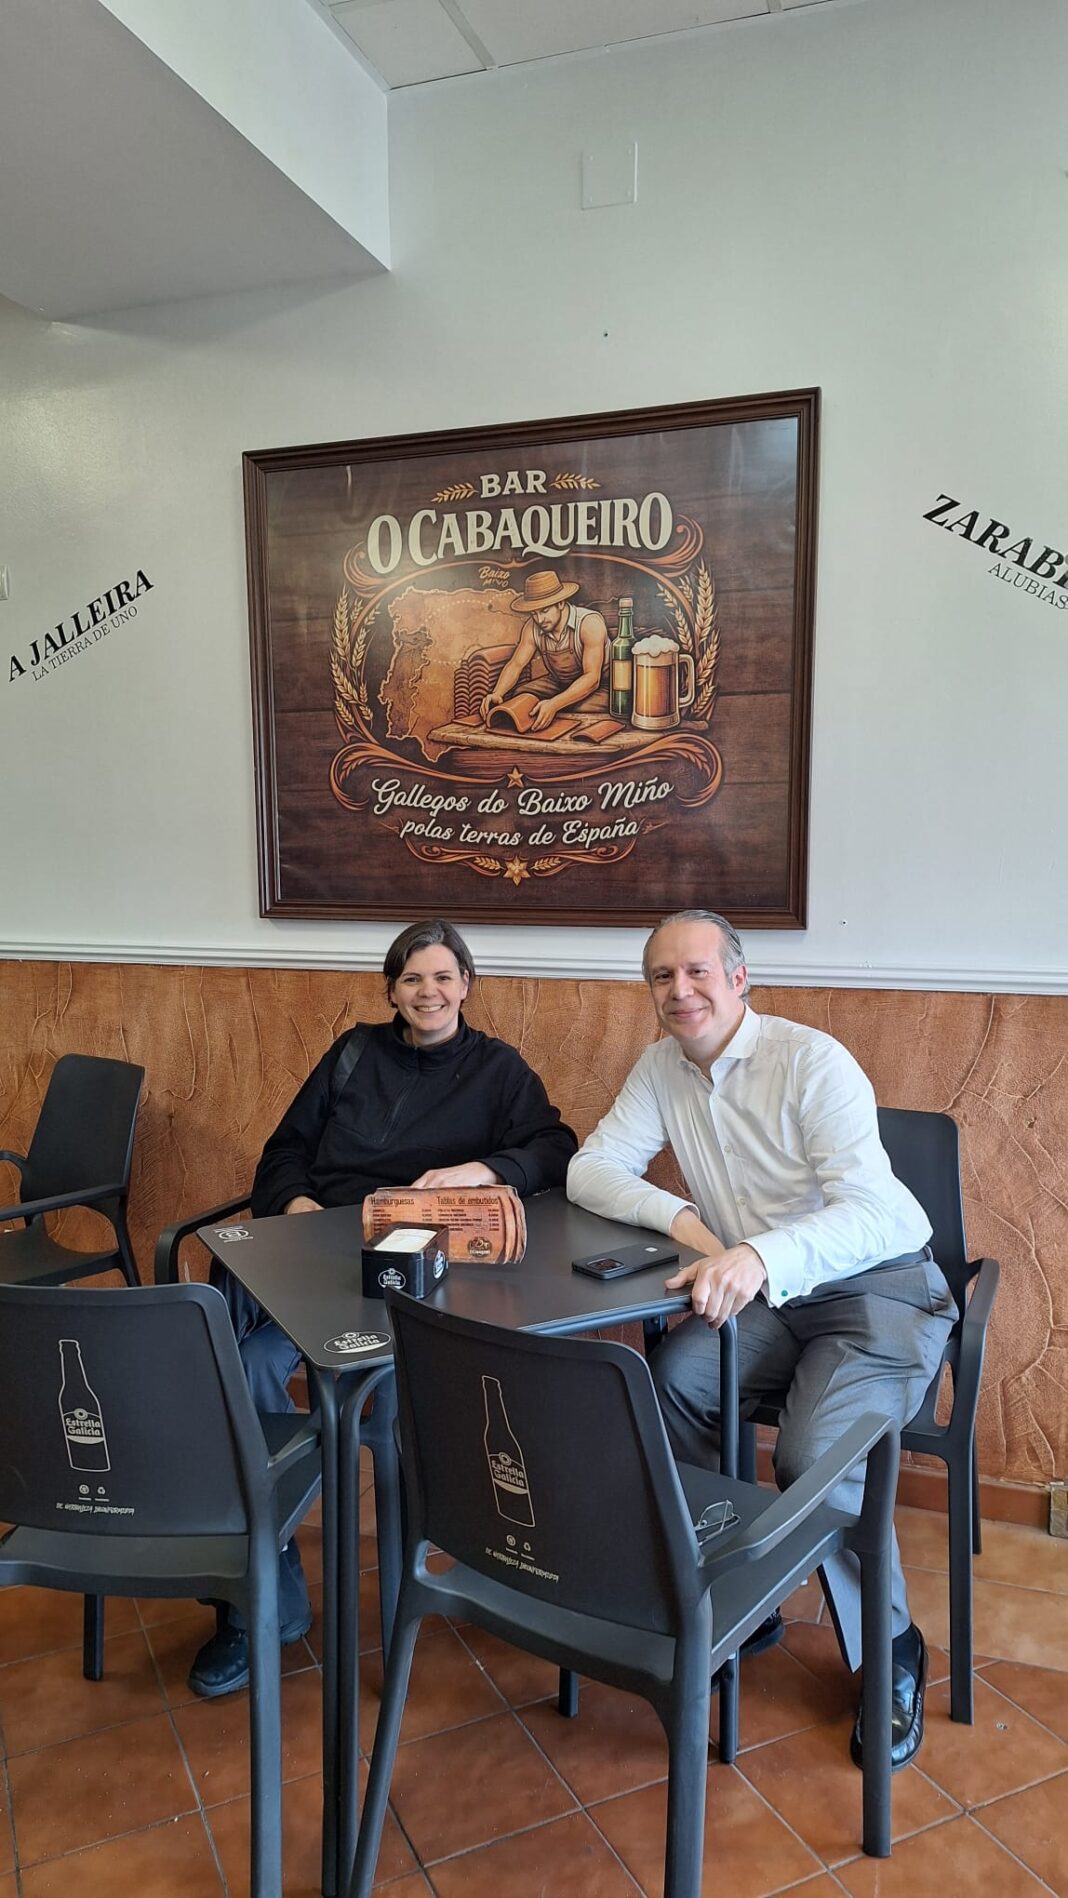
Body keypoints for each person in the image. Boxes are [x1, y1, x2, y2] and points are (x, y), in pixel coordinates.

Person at [566, 908, 956, 1770]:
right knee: (667, 1385)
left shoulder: (811, 1060)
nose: (680, 990)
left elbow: (878, 1213)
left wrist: (757, 1254)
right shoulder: (662, 1067)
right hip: (770, 1296)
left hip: (877, 1286)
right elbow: (590, 1170)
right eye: (662, 976)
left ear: (739, 979)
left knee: (813, 1454)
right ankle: (738, 1598)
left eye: (697, 971)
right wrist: (687, 1223)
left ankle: (891, 1648)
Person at [190, 917, 577, 1698]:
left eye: (443, 977)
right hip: (318, 1252)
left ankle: (274, 1566)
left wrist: (481, 1169)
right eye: (411, 979)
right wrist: (298, 1208)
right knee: (235, 1366)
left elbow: (554, 1149)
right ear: (391, 991)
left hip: (418, 1277)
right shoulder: (353, 1053)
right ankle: (266, 1595)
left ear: (467, 985)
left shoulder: (499, 1070)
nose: (428, 992)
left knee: (302, 1382)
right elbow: (284, 1150)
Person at [479, 568, 609, 731]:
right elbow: (516, 664)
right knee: (521, 694)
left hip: (601, 684)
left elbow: (592, 677)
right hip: (559, 682)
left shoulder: (589, 623)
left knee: (578, 707)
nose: (539, 619)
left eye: (544, 611)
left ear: (560, 603)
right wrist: (498, 693)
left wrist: (554, 703)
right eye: (534, 613)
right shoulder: (532, 627)